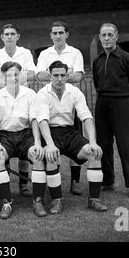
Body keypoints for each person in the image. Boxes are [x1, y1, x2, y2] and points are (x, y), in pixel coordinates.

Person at [35, 60, 109, 215]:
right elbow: (42, 121)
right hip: (50, 132)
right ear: (50, 75)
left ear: (67, 75)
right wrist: (49, 144)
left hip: (69, 132)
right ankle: (57, 200)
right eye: (56, 75)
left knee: (94, 153)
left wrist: (93, 142)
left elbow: (87, 118)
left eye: (63, 75)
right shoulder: (42, 94)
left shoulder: (75, 92)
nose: (60, 79)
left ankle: (94, 199)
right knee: (51, 157)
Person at [92, 23, 129, 199]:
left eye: (110, 35)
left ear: (116, 37)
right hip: (102, 104)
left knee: (127, 145)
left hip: (123, 104)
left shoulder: (128, 58)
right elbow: (97, 83)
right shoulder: (97, 60)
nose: (106, 38)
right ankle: (107, 181)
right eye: (103, 35)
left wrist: (128, 102)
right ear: (99, 38)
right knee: (103, 144)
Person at [36, 21, 86, 196]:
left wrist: (55, 76)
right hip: (51, 103)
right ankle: (53, 179)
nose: (57, 36)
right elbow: (39, 75)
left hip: (70, 103)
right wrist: (65, 74)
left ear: (67, 34)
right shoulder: (44, 53)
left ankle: (75, 181)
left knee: (75, 143)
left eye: (61, 33)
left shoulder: (75, 52)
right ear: (50, 35)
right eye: (54, 33)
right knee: (52, 144)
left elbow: (78, 77)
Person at [0, 61, 44, 219]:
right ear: (3, 77)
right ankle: (6, 203)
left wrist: (38, 143)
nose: (13, 78)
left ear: (21, 76)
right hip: (4, 136)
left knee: (37, 155)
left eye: (16, 75)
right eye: (9, 75)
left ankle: (38, 201)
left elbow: (34, 120)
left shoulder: (30, 94)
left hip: (25, 135)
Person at [0, 23, 37, 198]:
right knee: (4, 144)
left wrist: (12, 77)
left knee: (25, 147)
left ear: (17, 36)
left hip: (23, 99)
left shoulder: (25, 53)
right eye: (6, 34)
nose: (9, 36)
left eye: (12, 34)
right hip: (5, 100)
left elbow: (33, 74)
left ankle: (23, 184)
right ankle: (6, 184)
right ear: (2, 37)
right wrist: (14, 78)